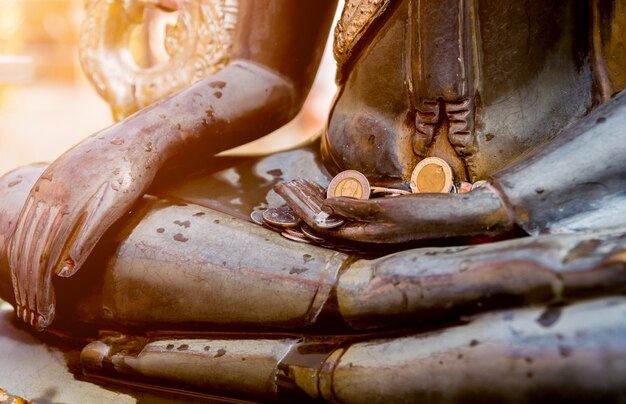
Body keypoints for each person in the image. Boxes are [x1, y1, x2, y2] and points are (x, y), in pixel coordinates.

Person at [1, 0, 626, 400]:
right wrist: (137, 139)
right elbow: (266, 72)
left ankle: (329, 346)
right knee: (17, 206)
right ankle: (379, 290)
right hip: (318, 198)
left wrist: (494, 204)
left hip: (559, 199)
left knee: (609, 347)